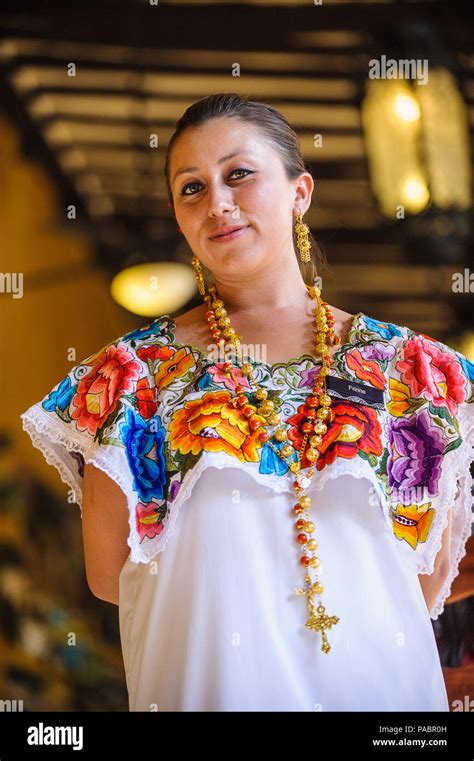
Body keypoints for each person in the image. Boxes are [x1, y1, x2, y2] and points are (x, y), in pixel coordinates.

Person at [21, 93, 474, 712]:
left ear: (300, 192)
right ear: (179, 219)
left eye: (239, 174)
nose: (218, 203)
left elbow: (424, 583)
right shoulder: (128, 383)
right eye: (191, 189)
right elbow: (109, 576)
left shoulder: (419, 376)